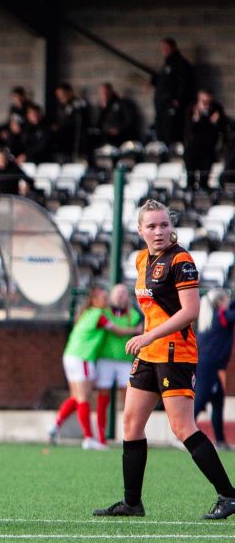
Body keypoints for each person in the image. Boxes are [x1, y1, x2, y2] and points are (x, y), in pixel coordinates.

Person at [94, 199, 235, 519]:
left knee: (181, 426)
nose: (158, 231)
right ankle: (132, 502)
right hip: (149, 352)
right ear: (140, 230)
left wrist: (148, 335)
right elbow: (153, 311)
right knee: (131, 423)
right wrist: (146, 339)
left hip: (175, 352)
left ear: (171, 228)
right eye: (151, 226)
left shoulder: (181, 260)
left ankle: (229, 495)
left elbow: (190, 312)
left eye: (163, 225)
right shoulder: (142, 260)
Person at [48, 285, 117, 450]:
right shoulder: (98, 315)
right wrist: (136, 330)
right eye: (103, 298)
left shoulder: (85, 313)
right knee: (84, 398)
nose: (106, 300)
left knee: (76, 397)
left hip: (70, 356)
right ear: (94, 301)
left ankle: (55, 426)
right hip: (83, 358)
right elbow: (118, 331)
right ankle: (88, 438)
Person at [93, 284, 144, 447]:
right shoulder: (104, 313)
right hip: (106, 359)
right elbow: (118, 330)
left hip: (125, 360)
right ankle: (101, 438)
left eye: (124, 293)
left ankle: (131, 436)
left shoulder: (135, 315)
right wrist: (132, 330)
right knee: (103, 397)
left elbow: (140, 331)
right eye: (118, 293)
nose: (121, 296)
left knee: (130, 398)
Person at [195, 288, 235, 451]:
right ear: (220, 303)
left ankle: (220, 440)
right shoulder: (221, 316)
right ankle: (182, 434)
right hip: (208, 366)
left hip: (210, 365)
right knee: (201, 399)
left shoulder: (212, 317)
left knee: (218, 401)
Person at [153, 37, 195, 145]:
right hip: (162, 106)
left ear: (173, 48)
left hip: (172, 107)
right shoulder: (167, 64)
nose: (164, 50)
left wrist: (177, 100)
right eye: (163, 48)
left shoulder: (180, 64)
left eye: (167, 48)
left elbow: (184, 83)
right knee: (161, 134)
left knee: (172, 134)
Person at [184, 89, 227, 191]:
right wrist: (196, 119)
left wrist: (215, 122)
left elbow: (223, 127)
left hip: (208, 149)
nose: (206, 104)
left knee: (205, 178)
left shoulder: (216, 109)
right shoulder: (191, 109)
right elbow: (187, 129)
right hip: (192, 148)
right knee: (190, 179)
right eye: (204, 101)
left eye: (208, 102)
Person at [53, 82, 89, 160]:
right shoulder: (61, 107)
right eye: (58, 95)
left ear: (69, 92)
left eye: (62, 94)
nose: (60, 97)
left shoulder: (78, 104)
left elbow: (79, 123)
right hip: (64, 141)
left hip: (76, 141)